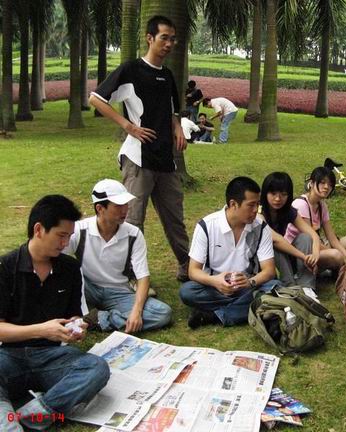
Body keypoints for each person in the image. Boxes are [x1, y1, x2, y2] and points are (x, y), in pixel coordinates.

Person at [88, 15, 190, 283]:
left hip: (166, 158)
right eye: (164, 37)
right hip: (138, 158)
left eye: (172, 38)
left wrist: (177, 127)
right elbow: (96, 99)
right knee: (133, 219)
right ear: (149, 38)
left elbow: (171, 110)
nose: (169, 43)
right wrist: (128, 125)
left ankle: (187, 265)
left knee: (174, 217)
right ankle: (131, 276)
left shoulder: (167, 75)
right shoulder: (131, 70)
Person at [0, 195, 110, 431]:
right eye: (61, 235)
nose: (65, 243)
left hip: (51, 357)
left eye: (69, 236)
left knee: (96, 368)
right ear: (39, 229)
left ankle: (28, 416)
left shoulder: (69, 268)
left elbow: (74, 315)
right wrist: (42, 329)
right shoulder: (5, 267)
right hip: (9, 356)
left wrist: (77, 327)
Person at [64, 179, 172, 333]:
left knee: (162, 313)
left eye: (126, 204)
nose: (125, 210)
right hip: (86, 287)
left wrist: (137, 312)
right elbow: (56, 259)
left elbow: (143, 276)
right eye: (118, 206)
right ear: (100, 208)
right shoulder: (79, 230)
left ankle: (97, 319)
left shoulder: (133, 234)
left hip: (118, 291)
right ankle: (94, 316)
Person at [179, 177, 279, 328]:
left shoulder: (261, 227)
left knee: (276, 287)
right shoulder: (207, 226)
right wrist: (216, 281)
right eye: (251, 205)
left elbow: (269, 270)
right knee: (187, 291)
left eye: (258, 204)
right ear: (233, 204)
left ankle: (215, 315)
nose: (256, 211)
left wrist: (250, 282)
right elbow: (193, 271)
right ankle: (249, 307)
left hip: (247, 285)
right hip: (215, 286)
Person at [260, 172, 321, 288]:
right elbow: (276, 240)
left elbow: (312, 234)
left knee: (305, 238)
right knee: (271, 244)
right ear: (265, 193)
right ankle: (290, 285)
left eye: (283, 194)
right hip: (263, 260)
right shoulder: (258, 211)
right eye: (273, 194)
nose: (278, 199)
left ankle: (306, 287)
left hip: (284, 254)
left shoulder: (288, 210)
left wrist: (315, 255)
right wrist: (304, 257)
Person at [285, 166, 346, 272]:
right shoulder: (301, 204)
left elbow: (332, 238)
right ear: (311, 183)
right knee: (337, 255)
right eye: (322, 182)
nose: (326, 187)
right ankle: (342, 267)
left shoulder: (322, 205)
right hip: (301, 251)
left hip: (317, 246)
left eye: (330, 185)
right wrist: (340, 254)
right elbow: (310, 239)